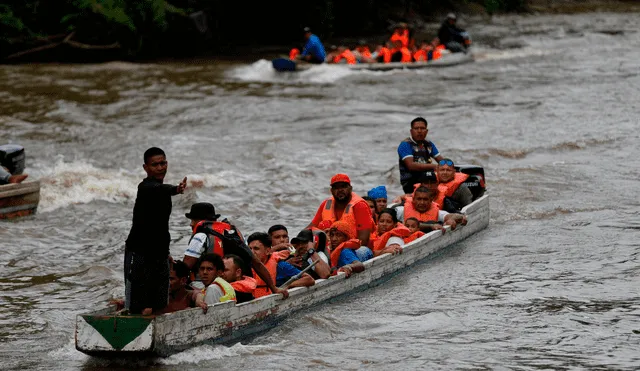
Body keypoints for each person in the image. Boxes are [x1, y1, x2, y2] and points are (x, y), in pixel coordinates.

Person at [124, 147, 187, 315]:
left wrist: (165, 252)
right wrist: (176, 189)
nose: (160, 168)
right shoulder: (146, 187)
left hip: (158, 252)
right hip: (139, 252)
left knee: (159, 301)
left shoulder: (160, 189)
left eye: (163, 163)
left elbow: (161, 226)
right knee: (139, 304)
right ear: (146, 168)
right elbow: (158, 189)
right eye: (155, 165)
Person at [182, 202, 289, 298]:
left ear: (201, 220)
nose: (191, 224)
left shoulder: (200, 237)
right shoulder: (232, 234)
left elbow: (184, 269)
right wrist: (274, 288)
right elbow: (257, 262)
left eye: (193, 220)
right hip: (232, 287)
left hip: (202, 285)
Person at [307, 173, 374, 247]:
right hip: (332, 247)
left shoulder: (360, 205)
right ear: (331, 191)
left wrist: (339, 250)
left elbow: (364, 240)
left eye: (343, 186)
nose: (340, 190)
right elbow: (310, 229)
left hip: (359, 249)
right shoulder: (326, 204)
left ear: (350, 188)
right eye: (336, 187)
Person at [247, 232, 314, 298]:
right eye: (250, 249)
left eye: (256, 249)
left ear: (267, 251)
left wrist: (289, 285)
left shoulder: (280, 266)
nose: (252, 252)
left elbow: (309, 279)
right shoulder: (245, 266)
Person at [398, 117, 444, 194]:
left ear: (426, 131)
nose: (419, 131)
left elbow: (442, 161)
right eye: (416, 128)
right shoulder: (405, 145)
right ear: (411, 131)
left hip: (427, 179)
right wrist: (434, 166)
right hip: (411, 182)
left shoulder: (429, 144)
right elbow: (411, 166)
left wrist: (447, 167)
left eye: (422, 128)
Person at [396, 186, 467, 232]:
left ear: (430, 201)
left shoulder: (438, 212)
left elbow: (453, 215)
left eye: (425, 199)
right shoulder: (401, 211)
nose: (422, 202)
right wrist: (430, 226)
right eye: (419, 199)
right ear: (413, 200)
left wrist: (452, 219)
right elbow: (386, 214)